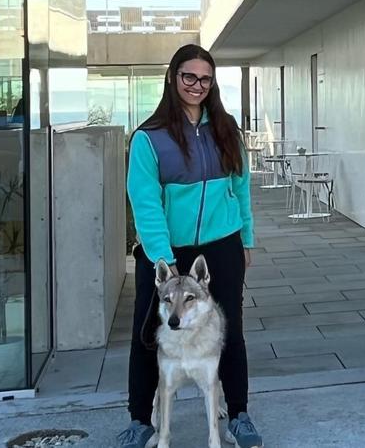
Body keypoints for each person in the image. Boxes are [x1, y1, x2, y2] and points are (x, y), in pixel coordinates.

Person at [117, 44, 262, 448]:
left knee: (228, 328)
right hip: (165, 253)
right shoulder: (149, 137)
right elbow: (144, 202)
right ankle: (139, 420)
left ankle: (240, 415)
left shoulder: (226, 129)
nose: (197, 85)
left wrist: (246, 239)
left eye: (205, 78)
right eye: (189, 77)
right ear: (172, 77)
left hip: (221, 246)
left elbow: (241, 189)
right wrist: (162, 260)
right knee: (150, 331)